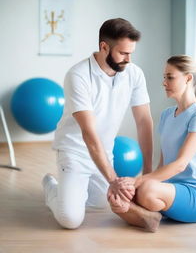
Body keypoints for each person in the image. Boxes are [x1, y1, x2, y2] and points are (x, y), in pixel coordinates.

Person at [42, 18, 153, 229]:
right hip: (74, 151)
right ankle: (51, 187)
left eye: (131, 53)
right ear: (104, 47)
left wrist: (147, 172)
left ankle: (72, 191)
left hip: (105, 152)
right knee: (71, 220)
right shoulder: (78, 75)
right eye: (123, 53)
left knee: (102, 204)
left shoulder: (134, 73)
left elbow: (144, 122)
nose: (128, 59)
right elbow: (89, 134)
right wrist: (113, 180)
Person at [108, 55, 196, 232]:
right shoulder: (167, 115)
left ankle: (142, 212)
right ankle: (148, 216)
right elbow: (163, 163)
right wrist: (131, 189)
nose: (164, 82)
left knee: (146, 189)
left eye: (170, 77)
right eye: (164, 77)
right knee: (118, 192)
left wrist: (139, 183)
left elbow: (180, 165)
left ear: (188, 78)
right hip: (172, 190)